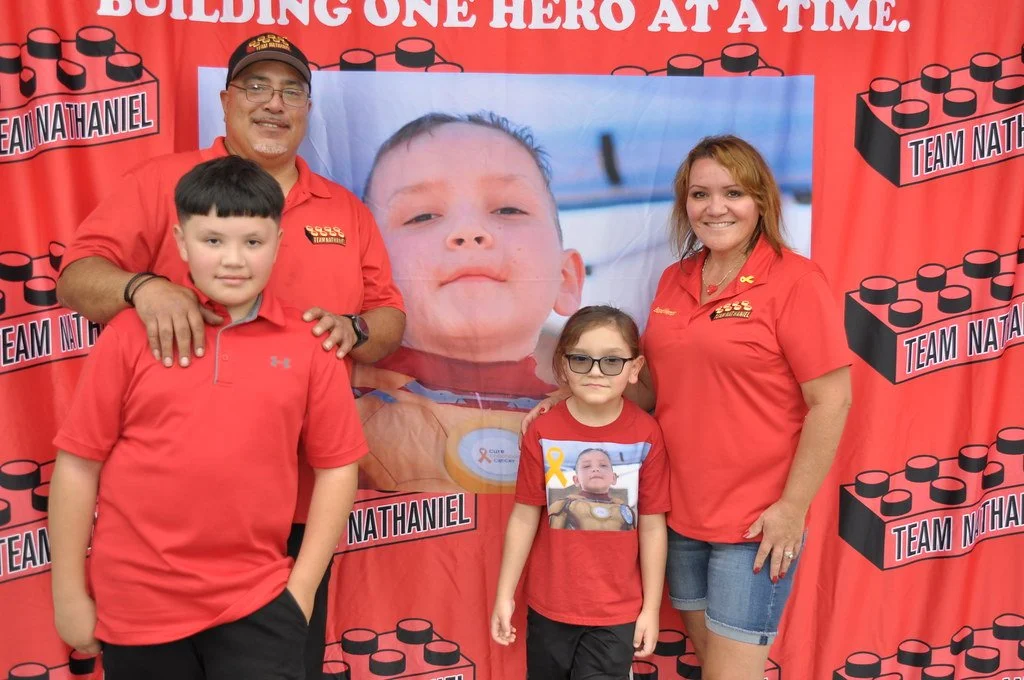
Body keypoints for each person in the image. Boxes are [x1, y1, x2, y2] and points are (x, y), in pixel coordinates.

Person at [55, 32, 405, 676]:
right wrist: (142, 286)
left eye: (291, 90)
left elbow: (388, 318)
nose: (274, 103)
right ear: (225, 100)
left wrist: (354, 329)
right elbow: (76, 276)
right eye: (255, 86)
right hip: (166, 530)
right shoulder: (164, 182)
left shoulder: (346, 210)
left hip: (294, 510)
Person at [526, 135, 852, 679]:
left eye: (733, 193)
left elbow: (832, 401)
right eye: (700, 194)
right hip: (677, 517)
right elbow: (654, 394)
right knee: (712, 666)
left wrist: (791, 509)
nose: (715, 207)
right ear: (685, 205)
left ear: (762, 202)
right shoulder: (674, 281)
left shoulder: (796, 282)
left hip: (753, 524)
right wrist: (581, 387)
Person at [353, 112, 584, 492]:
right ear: (364, 280)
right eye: (422, 215)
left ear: (567, 279)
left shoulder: (595, 423)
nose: (469, 232)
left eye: (508, 209)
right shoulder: (340, 418)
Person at [491, 305, 669, 679]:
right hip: (548, 609)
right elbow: (525, 516)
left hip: (615, 614)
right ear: (563, 366)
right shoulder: (542, 432)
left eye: (611, 361)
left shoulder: (647, 434)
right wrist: (504, 595)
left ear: (634, 369)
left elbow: (652, 526)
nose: (595, 372)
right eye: (582, 359)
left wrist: (650, 608)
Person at [547, 448, 636, 530]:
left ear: (613, 478)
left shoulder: (626, 512)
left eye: (603, 465)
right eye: (586, 466)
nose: (595, 469)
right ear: (576, 480)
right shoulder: (562, 507)